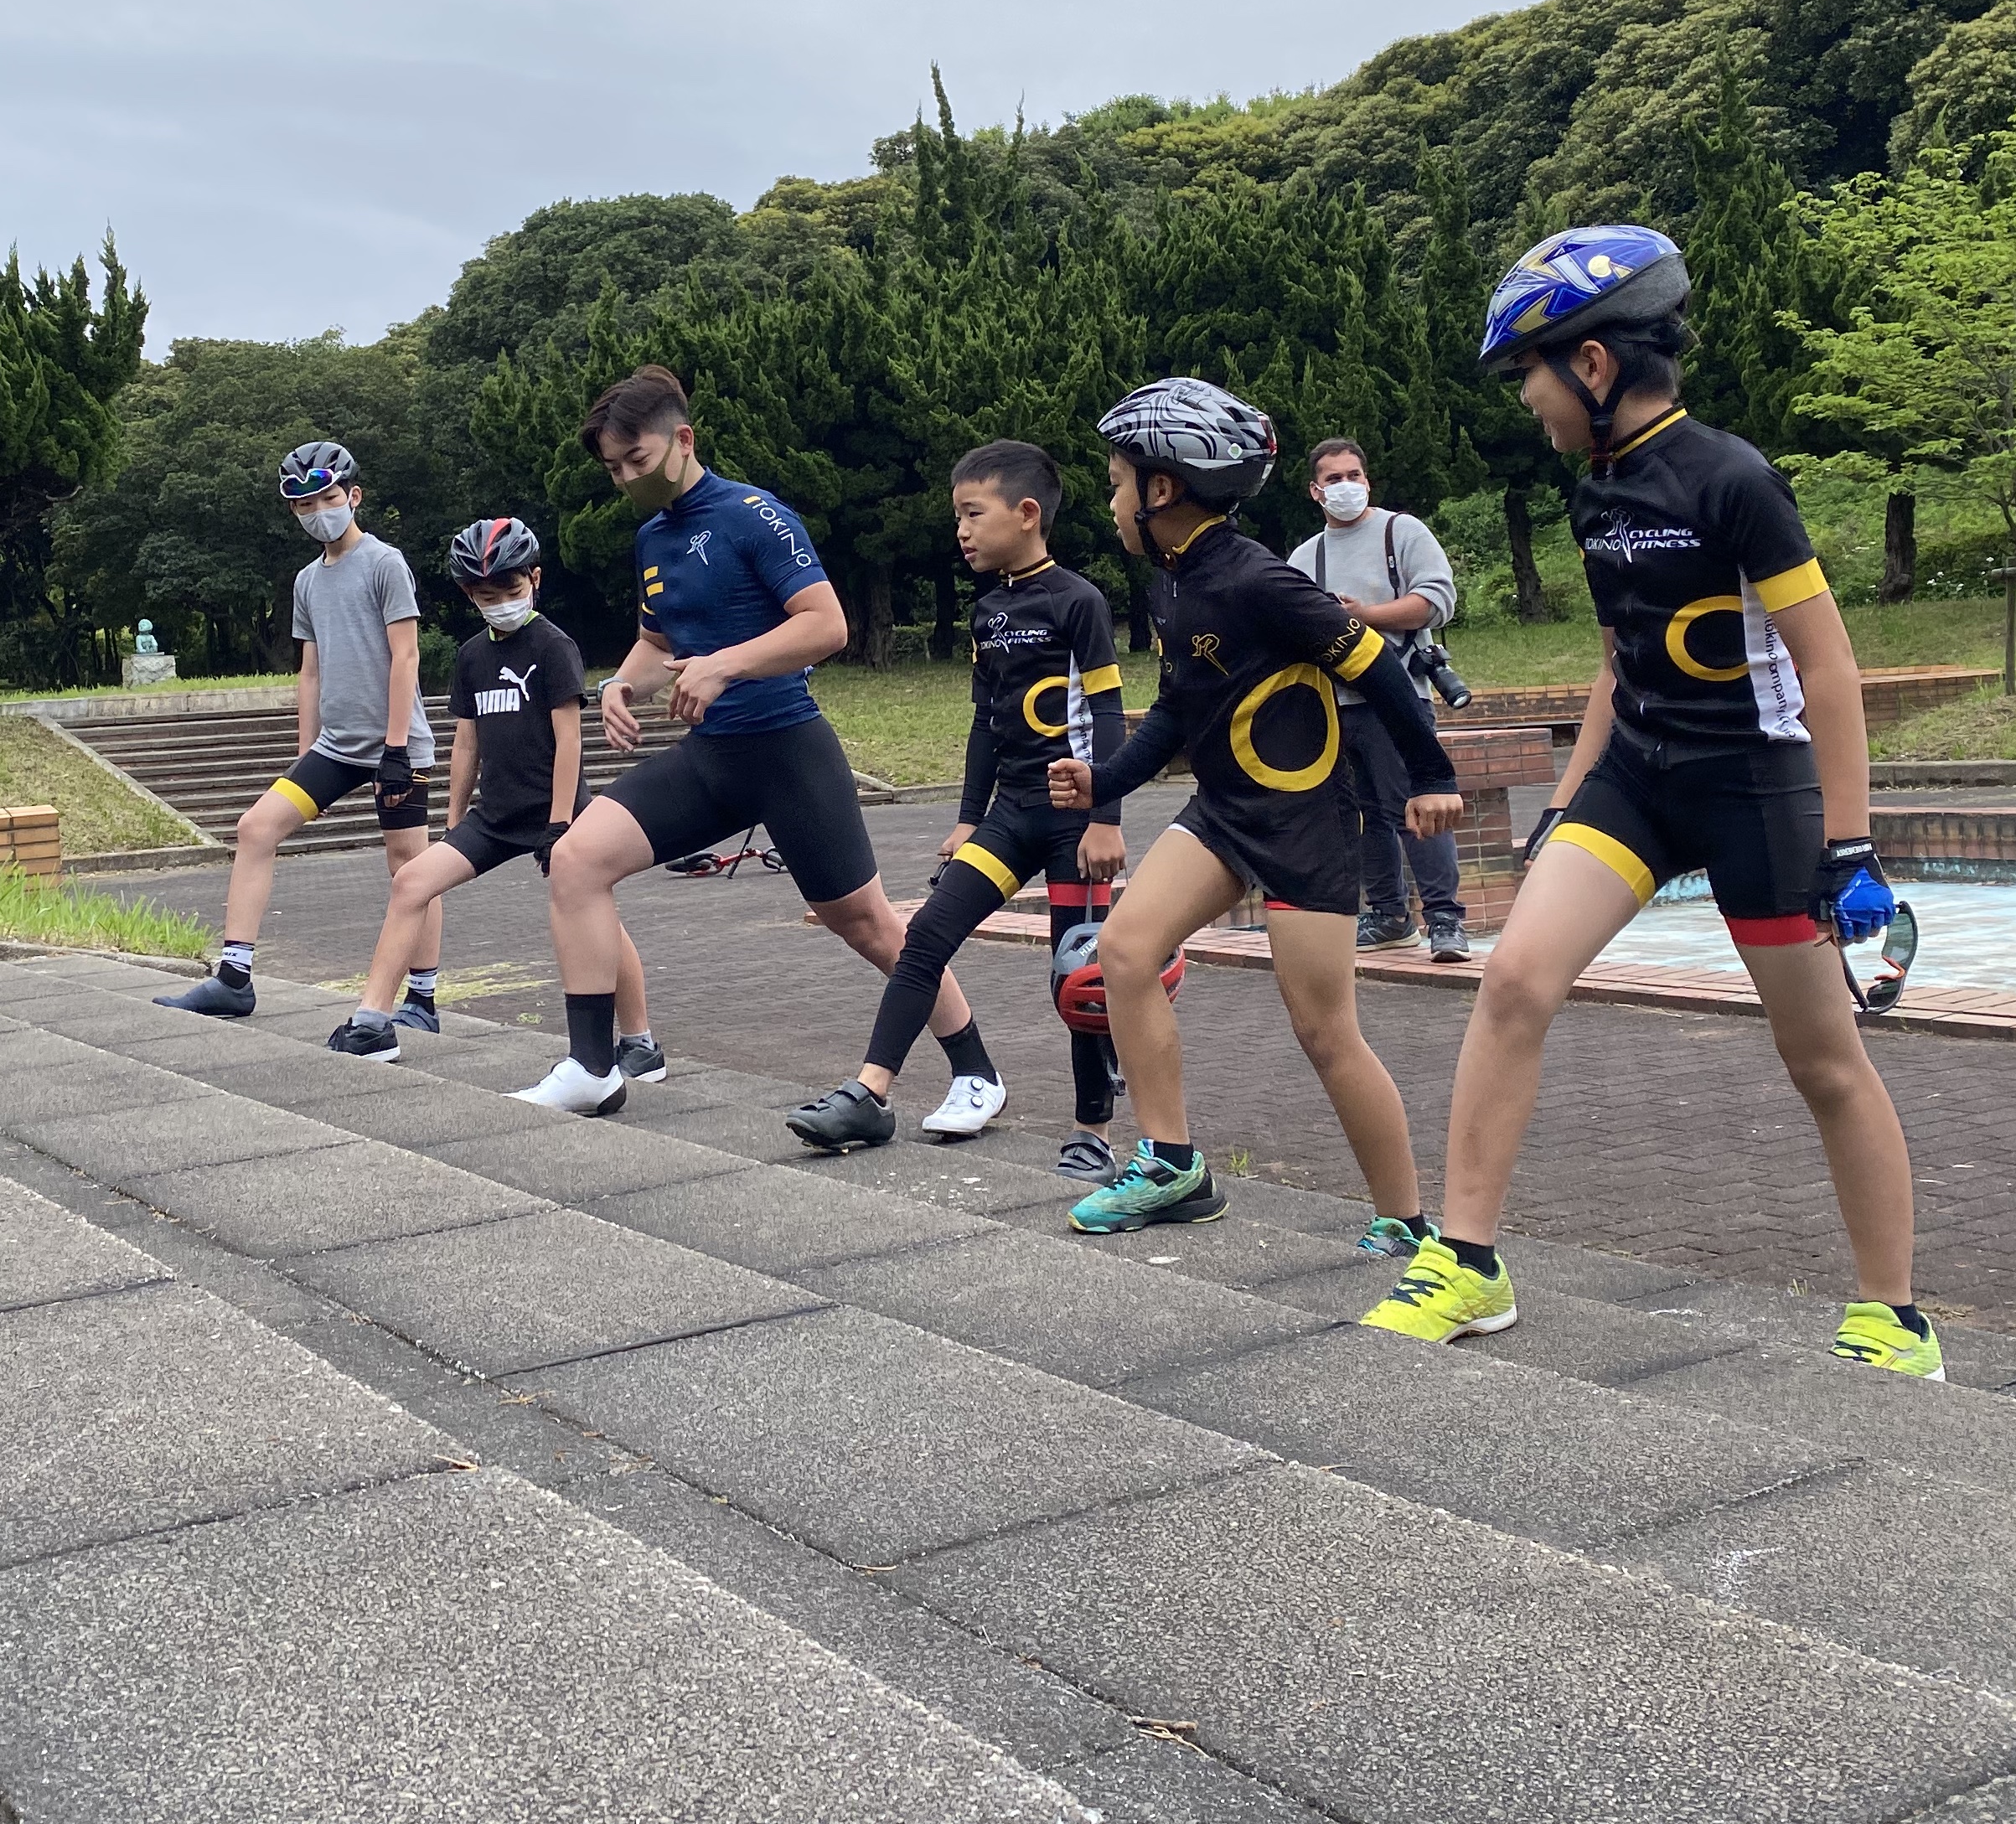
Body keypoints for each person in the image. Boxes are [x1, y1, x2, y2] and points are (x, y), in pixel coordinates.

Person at [1361, 226, 1937, 1377]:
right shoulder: (1599, 490)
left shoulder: (1734, 479)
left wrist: (1852, 844)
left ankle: (1893, 1316)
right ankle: (1469, 1262)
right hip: (1640, 776)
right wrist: (1564, 812)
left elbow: (1826, 667)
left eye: (1531, 370)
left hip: (1753, 788)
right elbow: (1622, 661)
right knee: (1516, 977)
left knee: (1820, 1057)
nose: (1525, 396)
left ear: (1592, 365)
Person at [1043, 380, 1466, 1250]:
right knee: (1123, 951)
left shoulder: (1257, 580)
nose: (1112, 498)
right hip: (1223, 813)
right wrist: (1104, 779)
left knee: (1324, 1031)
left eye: (1120, 480)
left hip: (1306, 828)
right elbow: (1176, 709)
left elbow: (1381, 668)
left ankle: (1407, 1221)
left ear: (1163, 490)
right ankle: (1171, 1166)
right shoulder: (1171, 584)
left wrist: (1431, 775)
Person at [510, 366, 909, 1117]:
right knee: (575, 859)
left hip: (788, 749)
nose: (629, 478)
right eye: (614, 469)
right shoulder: (651, 540)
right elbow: (656, 644)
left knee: (869, 927)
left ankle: (977, 1069)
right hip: (713, 757)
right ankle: (593, 1066)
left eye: (640, 460)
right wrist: (619, 687)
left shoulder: (755, 515)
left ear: (683, 439)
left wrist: (726, 665)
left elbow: (827, 626)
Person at [785, 441, 1125, 1155]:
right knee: (927, 938)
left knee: (1081, 976)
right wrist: (968, 818)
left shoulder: (1079, 600)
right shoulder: (988, 609)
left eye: (974, 513)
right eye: (957, 516)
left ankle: (1091, 1130)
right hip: (1010, 816)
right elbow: (984, 721)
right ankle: (869, 1092)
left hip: (1073, 820)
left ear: (1027, 514)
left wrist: (1106, 818)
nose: (962, 531)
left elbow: (1107, 713)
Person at [323, 517, 654, 1066]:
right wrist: (454, 821)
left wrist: (561, 824)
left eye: (511, 591)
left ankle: (641, 1043)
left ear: (535, 579)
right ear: (467, 595)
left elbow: (570, 741)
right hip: (494, 816)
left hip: (559, 813)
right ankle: (372, 1023)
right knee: (412, 881)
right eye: (485, 595)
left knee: (596, 917)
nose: (499, 602)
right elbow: (467, 745)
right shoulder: (473, 656)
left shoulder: (553, 646)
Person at [155, 440, 440, 1020]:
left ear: (354, 497)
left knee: (411, 867)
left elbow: (405, 658)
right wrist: (304, 753)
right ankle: (234, 976)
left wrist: (392, 750)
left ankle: (424, 997)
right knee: (256, 828)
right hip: (335, 746)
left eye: (329, 498)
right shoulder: (308, 581)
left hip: (397, 745)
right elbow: (308, 673)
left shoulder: (386, 564)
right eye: (305, 504)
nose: (319, 512)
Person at [1287, 439, 1471, 960]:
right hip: (1333, 704)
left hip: (1400, 696)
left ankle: (1444, 919)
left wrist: (1361, 617)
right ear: (1315, 490)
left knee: (1420, 805)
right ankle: (1388, 914)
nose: (1345, 486)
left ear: (1367, 480)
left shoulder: (1401, 531)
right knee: (1360, 814)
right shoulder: (1305, 556)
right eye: (1333, 478)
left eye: (1354, 475)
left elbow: (1435, 603)